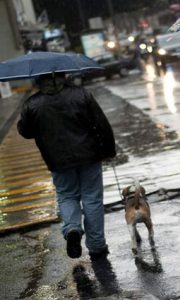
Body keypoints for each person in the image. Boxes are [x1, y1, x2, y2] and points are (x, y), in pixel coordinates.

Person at [17, 73, 116, 260]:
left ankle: (72, 229)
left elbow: (26, 132)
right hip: (89, 155)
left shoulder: (32, 103)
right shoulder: (82, 95)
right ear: (64, 76)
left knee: (67, 195)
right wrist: (109, 149)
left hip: (57, 160)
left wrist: (24, 122)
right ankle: (96, 246)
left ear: (38, 80)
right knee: (92, 199)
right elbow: (101, 123)